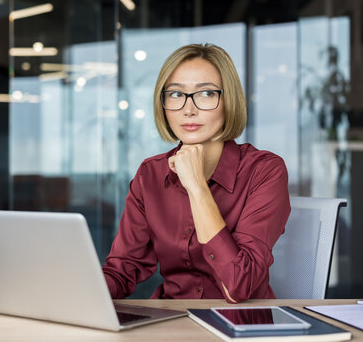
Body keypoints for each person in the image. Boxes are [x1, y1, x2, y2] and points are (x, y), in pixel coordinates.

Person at [102, 43, 290, 303]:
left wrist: (197, 187)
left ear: (228, 100)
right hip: (170, 323)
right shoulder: (150, 174)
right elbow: (122, 270)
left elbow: (239, 285)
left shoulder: (264, 170)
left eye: (206, 93)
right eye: (176, 95)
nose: (188, 109)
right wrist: (75, 295)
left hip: (240, 325)